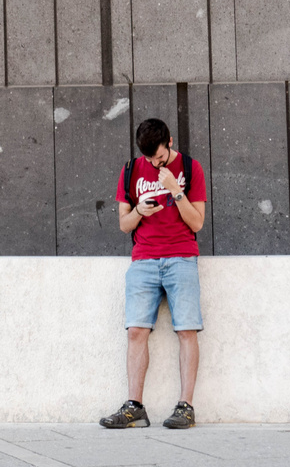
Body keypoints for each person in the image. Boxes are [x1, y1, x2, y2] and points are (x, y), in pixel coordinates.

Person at [99, 117, 207, 430]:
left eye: (159, 157)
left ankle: (186, 407)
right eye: (149, 158)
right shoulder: (130, 170)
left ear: (169, 142)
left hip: (182, 258)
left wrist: (175, 189)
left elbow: (197, 223)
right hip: (143, 260)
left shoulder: (191, 167)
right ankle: (134, 407)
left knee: (187, 329)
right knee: (135, 331)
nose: (154, 163)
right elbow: (123, 224)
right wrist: (138, 211)